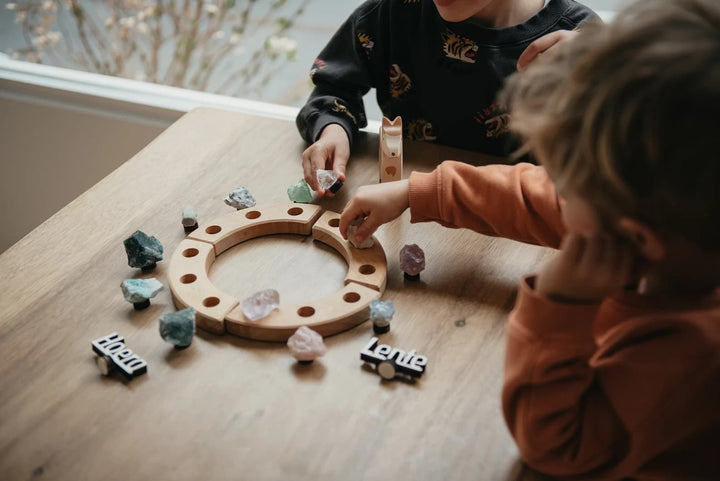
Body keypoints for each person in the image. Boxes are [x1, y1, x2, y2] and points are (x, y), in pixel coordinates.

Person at [338, 0, 720, 478]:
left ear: (632, 237)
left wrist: (560, 303)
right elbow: (533, 197)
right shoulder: (669, 218)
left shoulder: (683, 360)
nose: (552, 186)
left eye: (563, 177)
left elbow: (555, 445)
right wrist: (418, 191)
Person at [296, 0, 597, 195]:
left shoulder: (584, 42)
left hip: (517, 231)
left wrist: (599, 78)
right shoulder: (392, 12)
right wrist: (332, 130)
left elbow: (620, 160)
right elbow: (334, 88)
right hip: (405, 209)